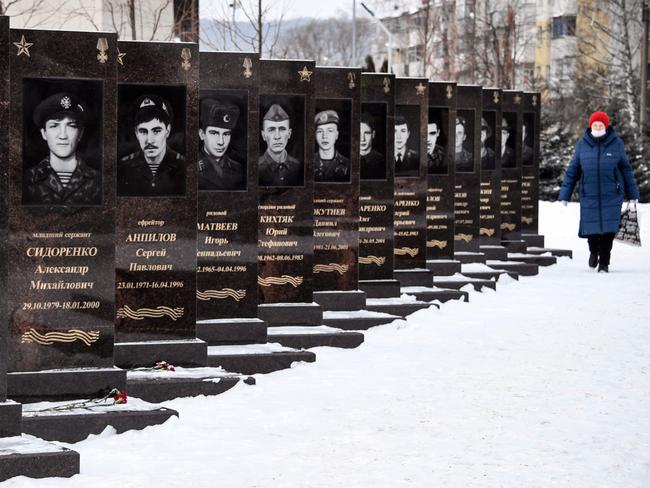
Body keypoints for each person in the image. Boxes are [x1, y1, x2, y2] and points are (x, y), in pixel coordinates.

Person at [559, 111, 639, 272]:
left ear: (606, 126)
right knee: (591, 229)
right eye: (595, 125)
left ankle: (604, 263)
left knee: (609, 231)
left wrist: (633, 194)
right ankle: (593, 251)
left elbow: (626, 169)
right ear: (590, 126)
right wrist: (565, 194)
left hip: (612, 195)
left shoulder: (616, 144)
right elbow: (573, 170)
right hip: (589, 194)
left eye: (600, 125)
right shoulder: (582, 144)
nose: (597, 127)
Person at [23, 92, 101, 205]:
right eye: (54, 126)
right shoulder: (25, 181)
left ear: (80, 133)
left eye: (71, 126)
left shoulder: (100, 181)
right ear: (44, 133)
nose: (63, 135)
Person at [118, 94, 185, 196]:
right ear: (136, 133)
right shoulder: (123, 168)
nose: (149, 140)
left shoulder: (184, 167)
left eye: (156, 131)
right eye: (143, 131)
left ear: (168, 131)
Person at [198, 98, 245, 191]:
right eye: (214, 133)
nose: (221, 142)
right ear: (202, 134)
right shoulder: (190, 169)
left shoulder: (238, 168)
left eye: (226, 134)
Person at [258, 103, 302, 186]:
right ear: (264, 135)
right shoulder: (256, 168)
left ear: (289, 133)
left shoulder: (298, 167)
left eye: (282, 129)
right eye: (271, 130)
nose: (277, 136)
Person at [314, 109, 350, 182]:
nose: (324, 136)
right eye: (320, 131)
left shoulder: (348, 165)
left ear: (336, 135)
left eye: (330, 131)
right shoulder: (307, 164)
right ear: (315, 135)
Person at [359, 113, 385, 179]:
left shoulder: (382, 161)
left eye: (367, 133)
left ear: (373, 134)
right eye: (359, 133)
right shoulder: (348, 161)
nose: (362, 139)